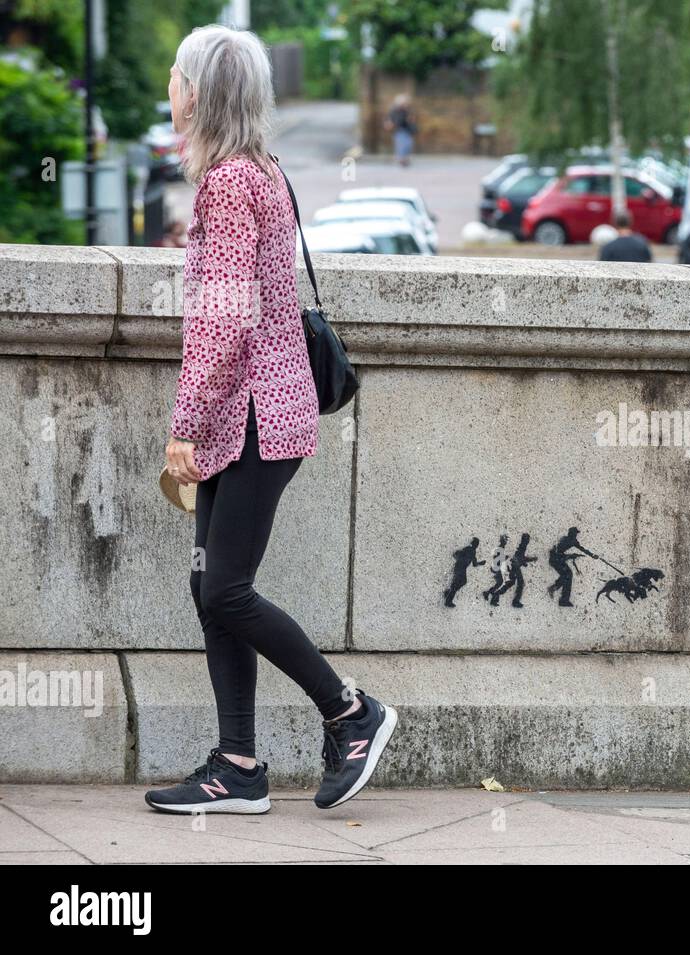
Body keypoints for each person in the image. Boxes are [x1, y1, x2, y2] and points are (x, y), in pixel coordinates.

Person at [147, 24, 398, 816]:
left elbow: (222, 322)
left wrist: (183, 425)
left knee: (226, 591)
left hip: (249, 417)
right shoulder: (264, 173)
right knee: (210, 585)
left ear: (201, 93)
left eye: (179, 76)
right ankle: (237, 766)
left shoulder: (226, 186)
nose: (169, 88)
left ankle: (351, 711)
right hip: (263, 414)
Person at [385, 93, 416, 167]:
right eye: (404, 102)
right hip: (399, 130)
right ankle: (401, 159)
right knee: (401, 145)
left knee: (408, 145)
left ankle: (405, 158)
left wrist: (411, 121)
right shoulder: (394, 111)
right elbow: (390, 120)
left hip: (407, 130)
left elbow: (411, 120)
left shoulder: (407, 111)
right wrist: (390, 124)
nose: (405, 104)